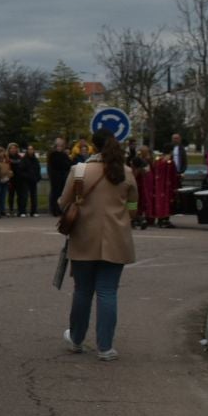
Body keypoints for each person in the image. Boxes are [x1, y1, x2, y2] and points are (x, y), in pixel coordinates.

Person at [61, 130, 138, 361]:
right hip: (116, 238)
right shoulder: (125, 172)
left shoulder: (80, 171)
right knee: (107, 291)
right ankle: (105, 347)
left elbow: (63, 202)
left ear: (92, 146)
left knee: (82, 291)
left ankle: (76, 339)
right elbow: (134, 207)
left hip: (84, 237)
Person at [47, 136, 72, 217]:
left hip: (63, 177)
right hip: (55, 177)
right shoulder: (53, 154)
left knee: (62, 194)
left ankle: (60, 209)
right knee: (55, 194)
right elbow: (57, 165)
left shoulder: (64, 155)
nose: (60, 147)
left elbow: (69, 164)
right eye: (58, 145)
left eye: (61, 145)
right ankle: (54, 209)